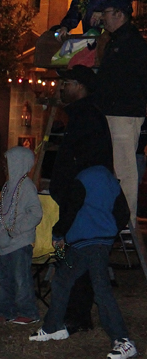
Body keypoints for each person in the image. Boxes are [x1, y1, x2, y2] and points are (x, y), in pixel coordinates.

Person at [29, 164, 136, 359]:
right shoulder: (110, 179)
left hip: (88, 242)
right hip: (91, 243)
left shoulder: (82, 179)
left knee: (100, 289)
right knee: (62, 280)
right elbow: (123, 213)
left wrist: (58, 234)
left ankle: (123, 340)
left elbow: (70, 210)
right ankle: (52, 327)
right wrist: (108, 232)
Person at [51, 66, 113, 334]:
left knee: (77, 256)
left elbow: (84, 163)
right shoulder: (82, 115)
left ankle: (77, 314)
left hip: (82, 201)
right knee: (75, 256)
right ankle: (74, 312)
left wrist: (72, 195)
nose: (61, 87)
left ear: (80, 86)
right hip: (79, 197)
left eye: (66, 82)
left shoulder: (87, 117)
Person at [95, 0, 147, 227]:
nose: (102, 17)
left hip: (124, 113)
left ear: (119, 14)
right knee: (116, 168)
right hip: (117, 111)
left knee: (124, 169)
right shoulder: (117, 41)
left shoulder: (131, 43)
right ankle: (119, 221)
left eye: (106, 12)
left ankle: (128, 223)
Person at [0, 147, 42, 325]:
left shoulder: (26, 186)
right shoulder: (7, 186)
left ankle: (28, 312)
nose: (6, 166)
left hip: (19, 242)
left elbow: (36, 213)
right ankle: (6, 311)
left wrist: (16, 229)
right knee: (3, 277)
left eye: (9, 163)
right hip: (4, 242)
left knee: (20, 279)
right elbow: (2, 213)